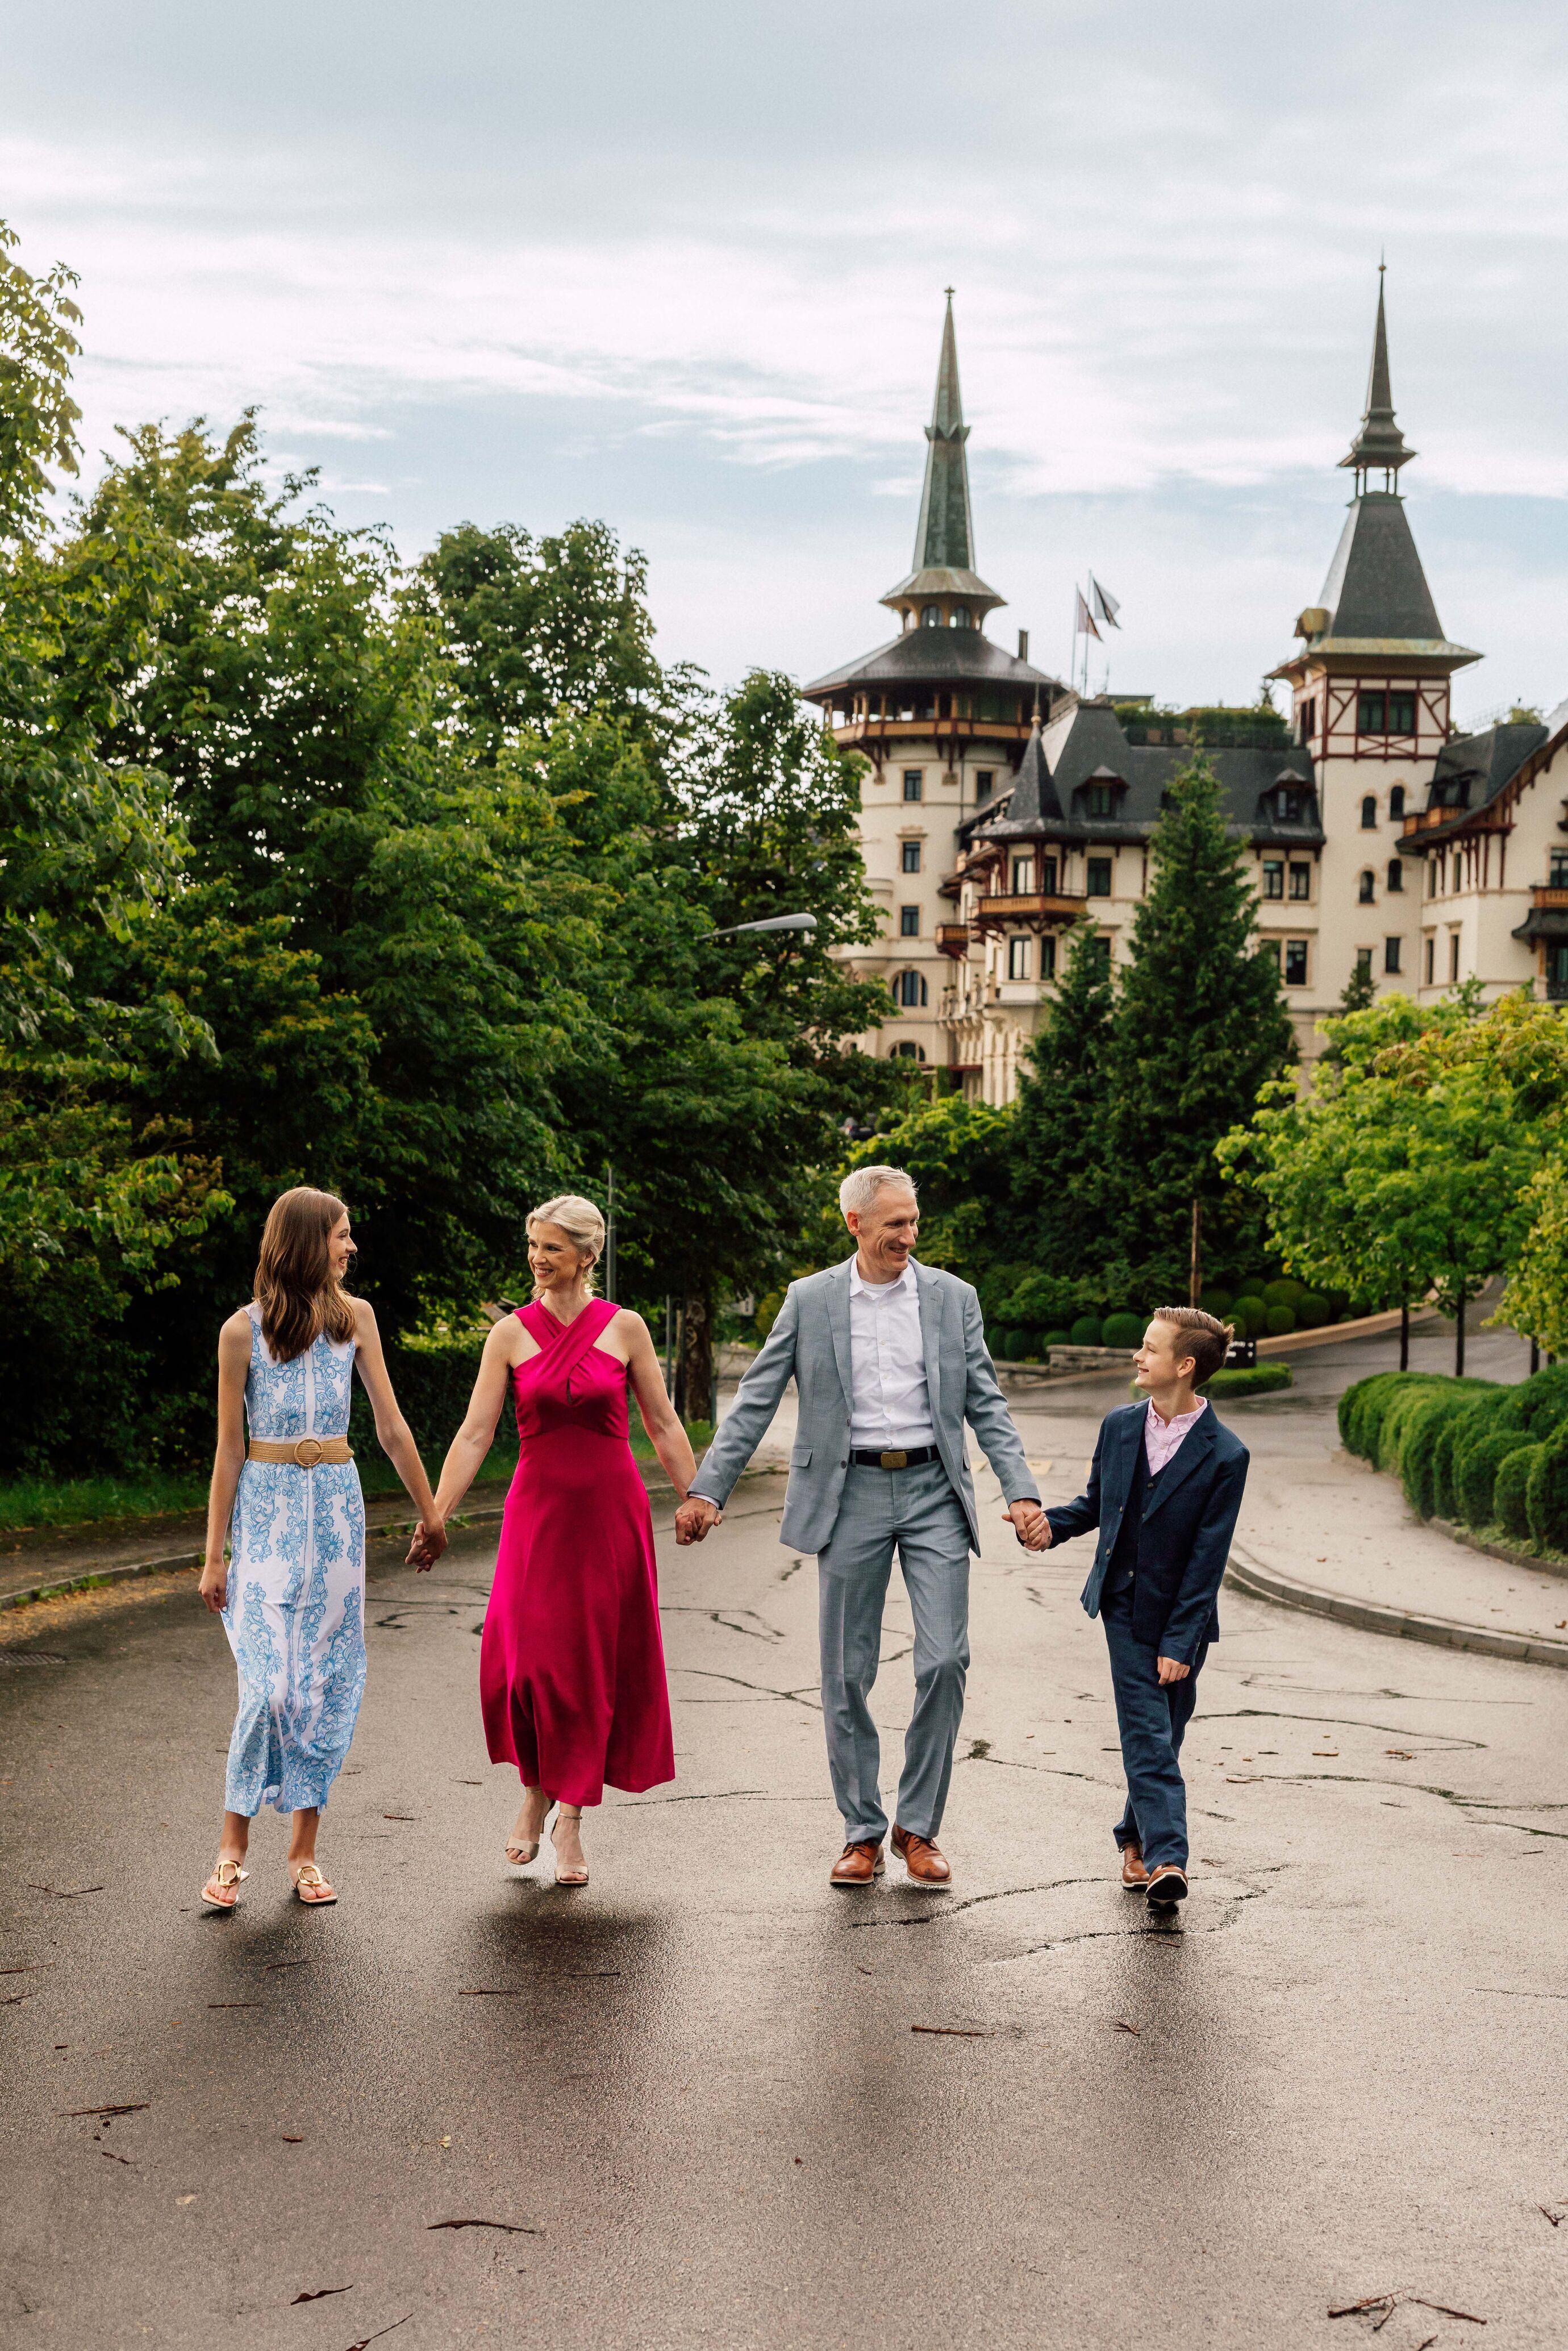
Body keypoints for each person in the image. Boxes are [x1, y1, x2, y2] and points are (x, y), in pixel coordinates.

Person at [675, 1166, 1045, 1890]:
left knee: (944, 1660)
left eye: (913, 1223)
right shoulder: (810, 1300)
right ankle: (862, 1832)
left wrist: (1022, 1492)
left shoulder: (952, 1298)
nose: (908, 1237)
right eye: (894, 1225)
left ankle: (918, 1826)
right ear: (854, 1224)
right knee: (847, 1672)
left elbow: (986, 1402)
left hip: (936, 1488)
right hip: (848, 1494)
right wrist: (708, 1490)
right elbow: (755, 1399)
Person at [414, 1195, 694, 1887]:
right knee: (527, 1666)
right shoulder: (508, 1334)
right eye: (533, 1246)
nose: (538, 1259)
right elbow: (476, 1433)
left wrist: (698, 1496)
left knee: (592, 1666)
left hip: (609, 1516)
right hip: (537, 1517)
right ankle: (535, 1787)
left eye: (552, 1249)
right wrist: (437, 1514)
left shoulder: (625, 1329)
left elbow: (661, 1423)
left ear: (587, 1256)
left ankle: (569, 1814)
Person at [198, 1188, 446, 1913]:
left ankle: (304, 1850)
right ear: (309, 1242)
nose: (351, 1246)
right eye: (342, 1235)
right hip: (268, 1517)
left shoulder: (356, 1319)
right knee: (269, 1687)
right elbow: (228, 1450)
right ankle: (232, 1844)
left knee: (323, 1688)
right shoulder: (240, 1333)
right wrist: (215, 1555)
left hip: (336, 1514)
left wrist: (432, 1515)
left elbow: (392, 1429)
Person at [1039, 1306, 1249, 1908]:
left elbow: (1209, 1560)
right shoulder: (1121, 1425)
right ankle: (1168, 1858)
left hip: (1184, 1620)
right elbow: (1096, 1505)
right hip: (1124, 1606)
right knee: (1147, 1732)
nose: (1138, 1355)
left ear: (1184, 1367)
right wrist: (1047, 1528)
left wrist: (1181, 1644)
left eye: (1150, 1349)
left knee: (1167, 1731)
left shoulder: (1226, 1455)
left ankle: (1133, 1840)